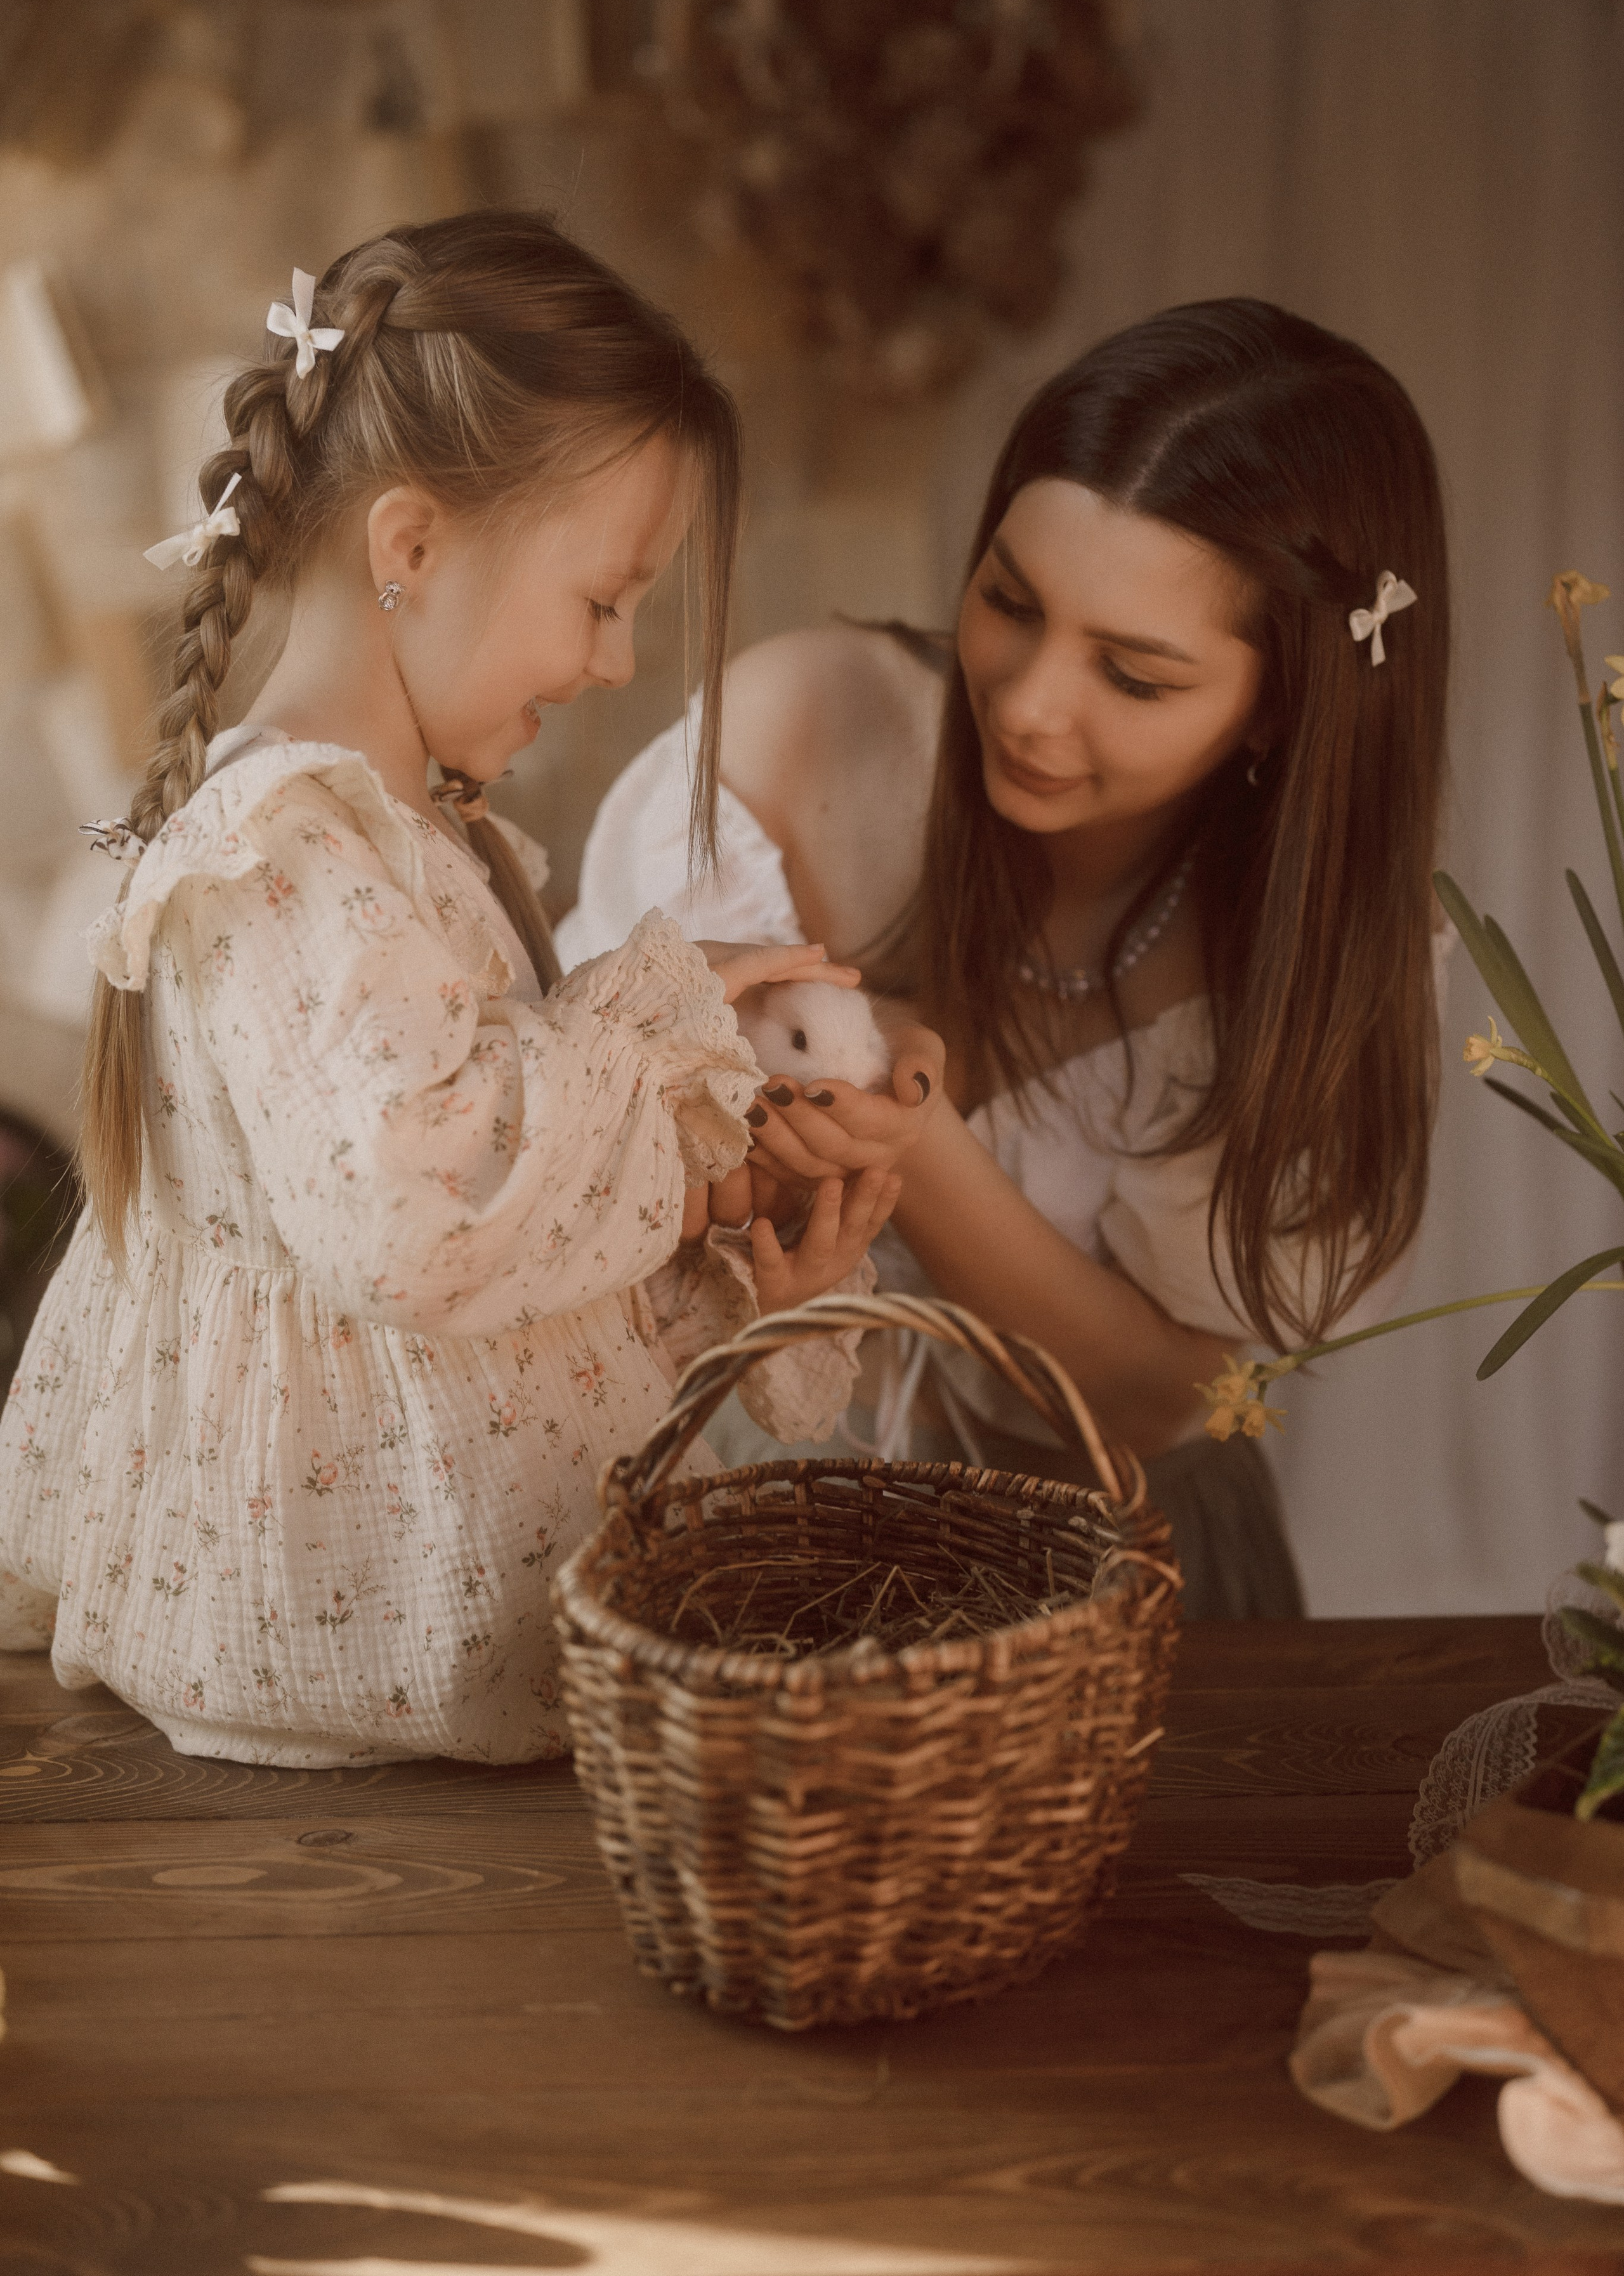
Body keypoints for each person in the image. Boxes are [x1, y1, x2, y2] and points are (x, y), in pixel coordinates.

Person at [0, 210, 927, 1765]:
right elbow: (422, 1225)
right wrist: (645, 1013)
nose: (617, 661)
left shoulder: (422, 839)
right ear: (412, 550)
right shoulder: (289, 854)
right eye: (604, 600)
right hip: (337, 1677)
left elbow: (496, 1309)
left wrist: (727, 1279)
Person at [559, 299, 1453, 1617]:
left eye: (1134, 677)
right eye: (1010, 603)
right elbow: (568, 1185)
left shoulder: (1323, 952)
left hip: (1119, 1574)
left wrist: (914, 1147)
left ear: (1282, 707)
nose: (1028, 706)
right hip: (742, 1518)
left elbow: (1152, 1403)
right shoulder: (801, 731)